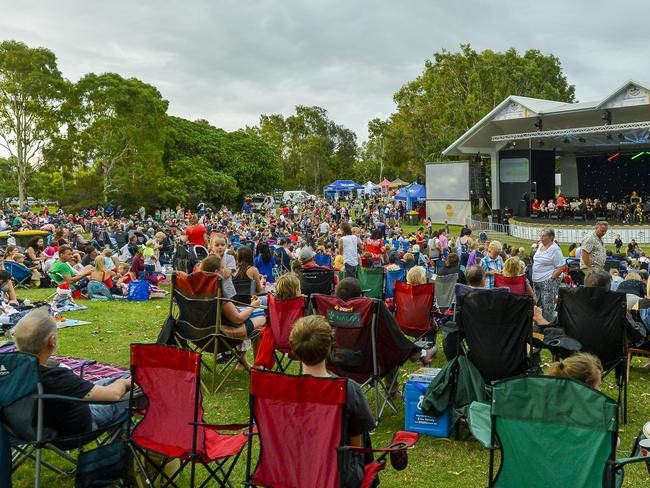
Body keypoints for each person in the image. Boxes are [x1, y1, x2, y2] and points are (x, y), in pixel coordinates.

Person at [12, 308, 132, 436]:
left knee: (122, 378)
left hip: (24, 429)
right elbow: (113, 395)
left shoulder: (9, 371)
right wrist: (123, 383)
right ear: (52, 341)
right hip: (74, 430)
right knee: (134, 386)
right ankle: (124, 447)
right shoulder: (56, 377)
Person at [289, 315, 376, 487]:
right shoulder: (347, 388)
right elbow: (356, 444)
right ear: (330, 345)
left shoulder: (281, 392)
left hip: (293, 469)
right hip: (338, 474)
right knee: (360, 427)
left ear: (294, 349)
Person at [532, 228, 565, 322]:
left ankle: (548, 327)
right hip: (537, 280)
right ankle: (539, 324)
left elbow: (561, 266)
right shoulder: (540, 245)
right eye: (540, 236)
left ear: (551, 237)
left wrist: (552, 278)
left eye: (543, 236)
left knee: (548, 306)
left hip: (547, 281)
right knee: (539, 304)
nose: (541, 238)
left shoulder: (555, 249)